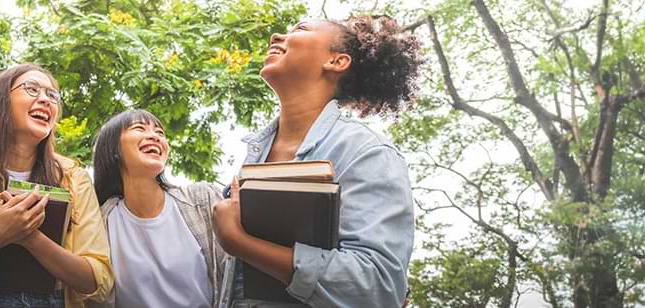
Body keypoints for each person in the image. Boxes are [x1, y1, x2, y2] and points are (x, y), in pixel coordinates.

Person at [211, 15, 421, 307]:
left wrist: (242, 243)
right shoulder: (254, 153)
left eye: (299, 29)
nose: (275, 36)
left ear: (336, 62)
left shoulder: (367, 151)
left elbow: (377, 287)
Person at [0, 64, 113, 307]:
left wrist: (29, 237)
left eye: (52, 95)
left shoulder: (72, 176)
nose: (45, 100)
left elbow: (98, 283)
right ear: (1, 101)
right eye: (32, 89)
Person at [89, 109, 229, 308]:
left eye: (160, 133)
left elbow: (236, 277)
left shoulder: (203, 200)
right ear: (114, 149)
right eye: (139, 128)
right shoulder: (100, 222)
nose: (154, 136)